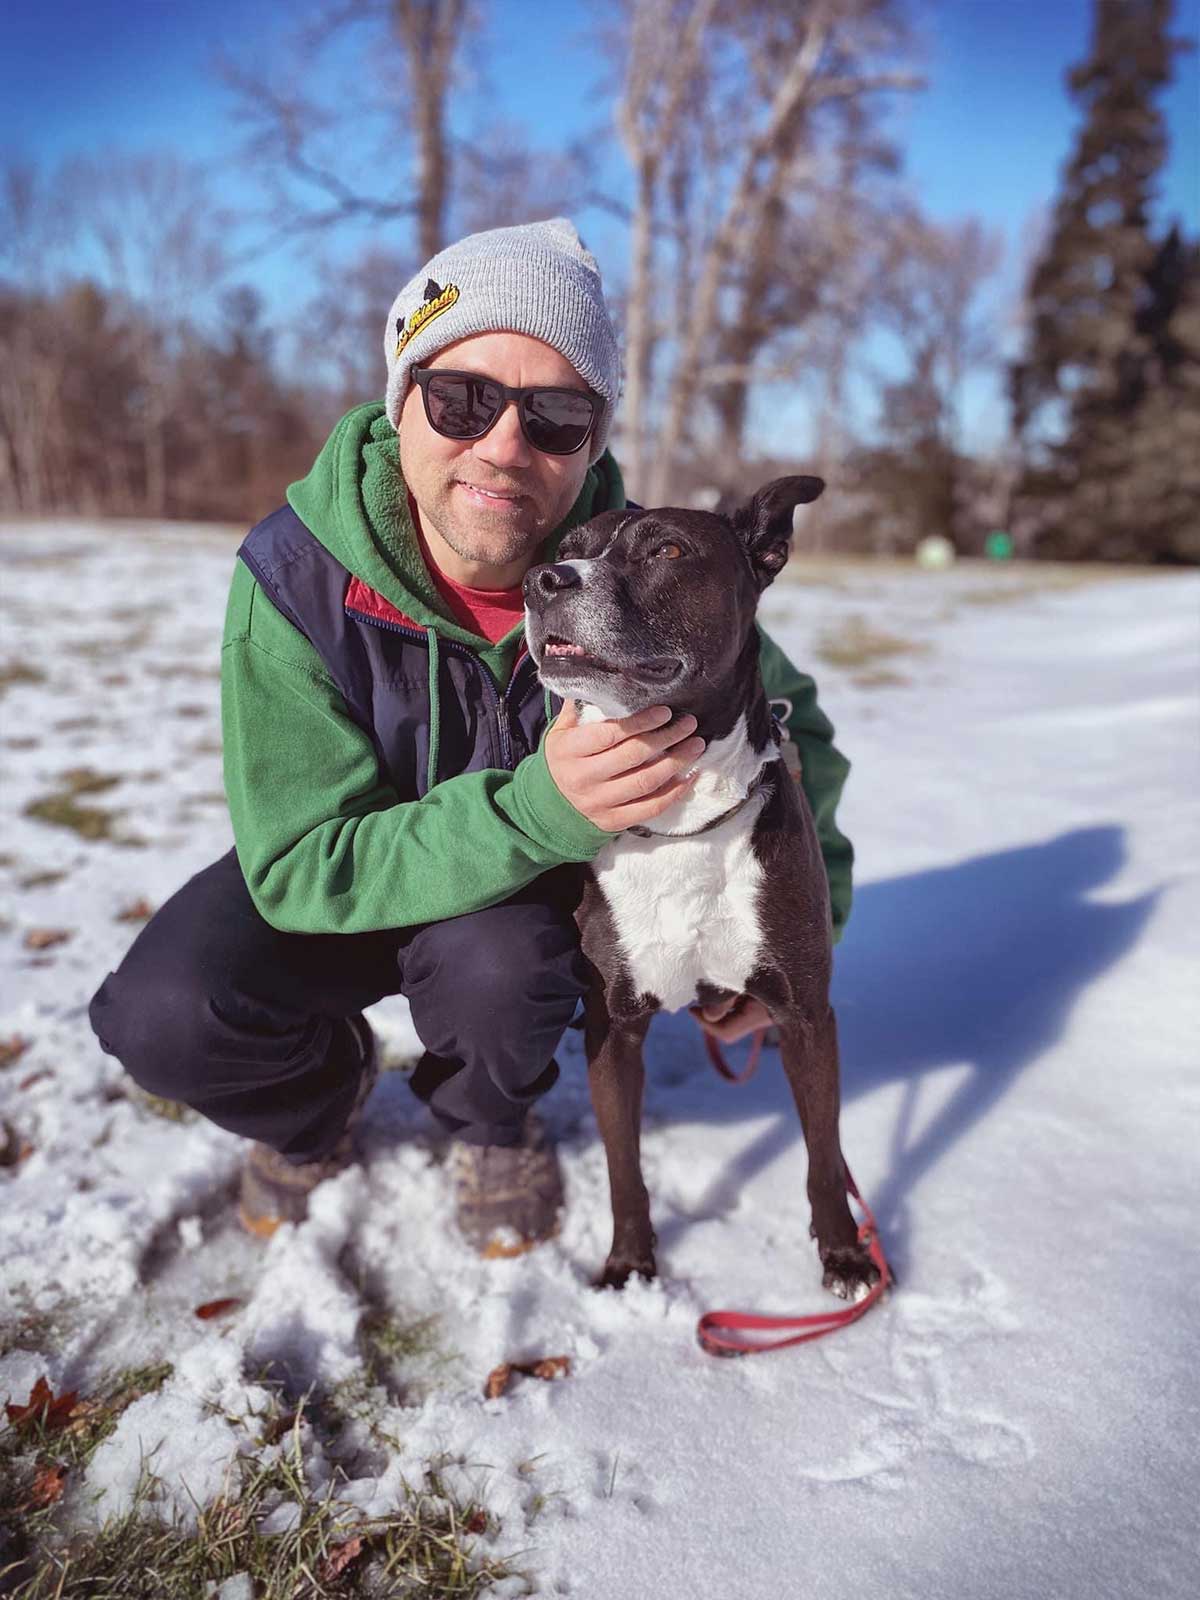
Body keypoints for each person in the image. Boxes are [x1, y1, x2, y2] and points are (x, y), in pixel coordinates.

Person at [89, 219, 854, 1255]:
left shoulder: (632, 574)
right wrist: (545, 808)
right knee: (163, 1012)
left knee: (507, 962)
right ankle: (317, 1101)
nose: (503, 444)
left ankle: (492, 1123)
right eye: (463, 399)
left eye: (555, 416)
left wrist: (799, 933)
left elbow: (791, 728)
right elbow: (299, 864)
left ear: (590, 440)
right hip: (338, 878)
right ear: (402, 400)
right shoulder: (295, 578)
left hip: (497, 921)